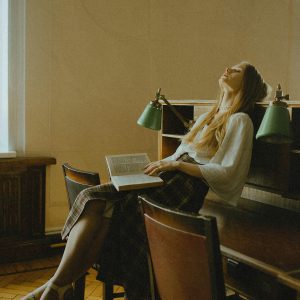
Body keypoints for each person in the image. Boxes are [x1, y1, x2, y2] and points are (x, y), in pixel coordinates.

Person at [23, 61, 269, 300]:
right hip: (170, 177)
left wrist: (175, 164)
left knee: (106, 205)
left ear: (246, 84)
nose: (227, 69)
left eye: (236, 70)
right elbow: (182, 152)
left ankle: (54, 288)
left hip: (185, 188)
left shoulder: (240, 121)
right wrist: (155, 165)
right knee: (95, 199)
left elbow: (229, 171)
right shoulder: (209, 116)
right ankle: (57, 286)